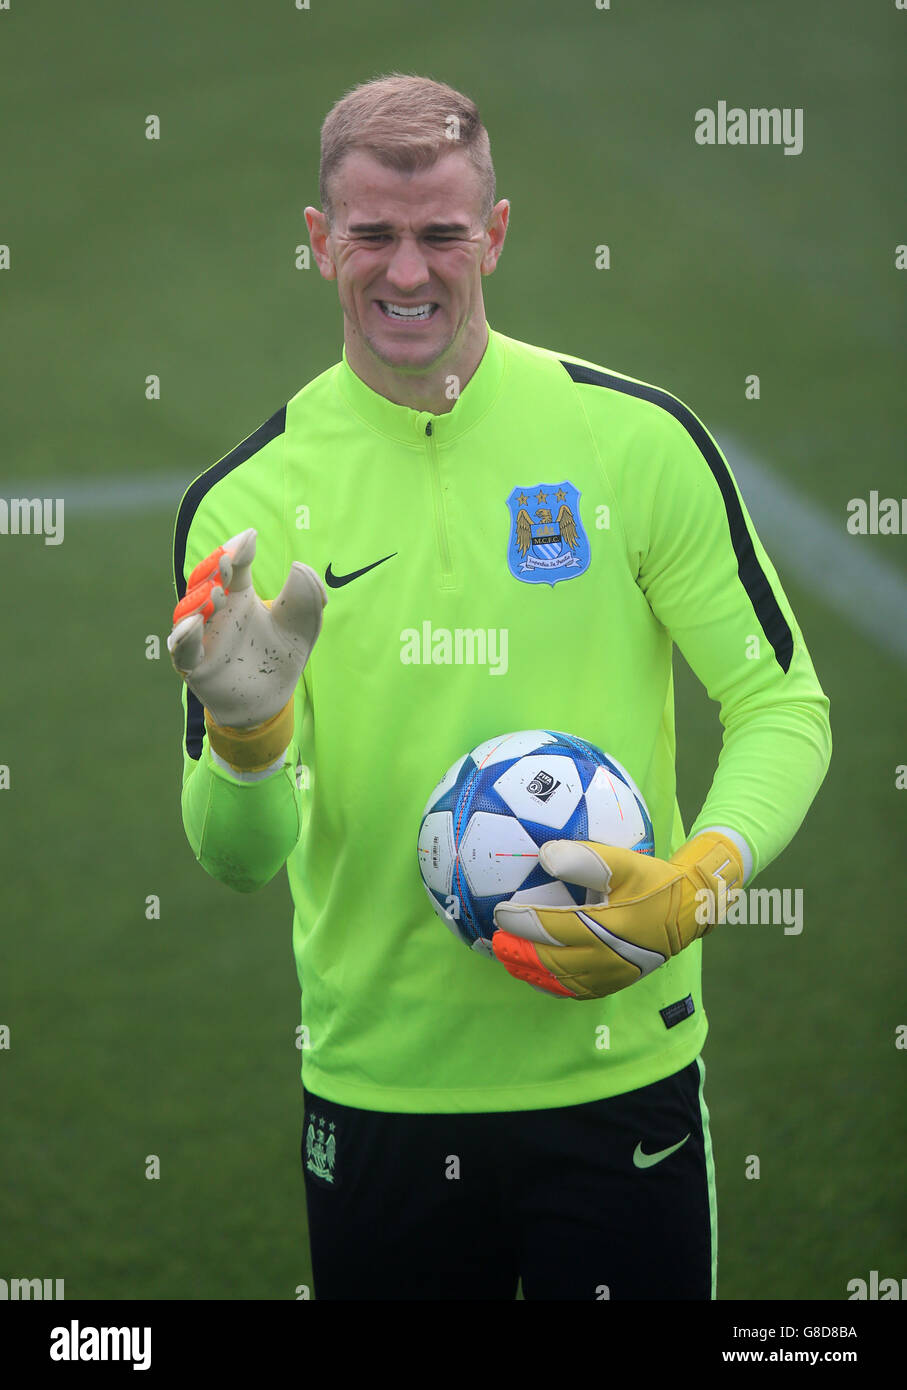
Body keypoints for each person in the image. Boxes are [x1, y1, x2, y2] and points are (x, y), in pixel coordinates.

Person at [167, 73, 831, 1300]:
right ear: (319, 244)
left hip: (617, 1073)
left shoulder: (633, 440)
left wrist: (702, 876)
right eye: (372, 234)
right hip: (381, 1093)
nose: (407, 272)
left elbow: (780, 704)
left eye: (441, 234)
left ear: (498, 233)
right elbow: (235, 857)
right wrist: (249, 737)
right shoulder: (243, 510)